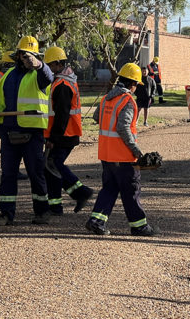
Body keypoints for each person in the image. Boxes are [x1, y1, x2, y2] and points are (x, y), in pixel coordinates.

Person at [0, 36, 54, 226]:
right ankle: (6, 214)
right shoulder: (8, 76)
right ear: (17, 56)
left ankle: (42, 212)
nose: (25, 59)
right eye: (23, 55)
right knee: (8, 174)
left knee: (35, 173)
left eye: (29, 56)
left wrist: (39, 64)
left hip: (32, 135)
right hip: (9, 134)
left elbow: (49, 77)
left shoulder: (39, 75)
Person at [86, 63, 156, 237]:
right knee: (131, 190)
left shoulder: (106, 98)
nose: (135, 89)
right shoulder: (127, 101)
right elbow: (123, 128)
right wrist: (136, 151)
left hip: (106, 154)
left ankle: (96, 221)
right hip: (123, 156)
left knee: (109, 189)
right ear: (132, 83)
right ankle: (139, 227)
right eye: (135, 85)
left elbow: (97, 117)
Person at [43, 46, 94, 215]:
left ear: (58, 64)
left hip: (64, 135)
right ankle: (57, 206)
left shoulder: (62, 84)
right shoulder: (64, 80)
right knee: (51, 168)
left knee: (53, 165)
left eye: (50, 65)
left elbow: (62, 116)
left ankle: (81, 193)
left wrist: (52, 138)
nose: (48, 68)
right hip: (67, 133)